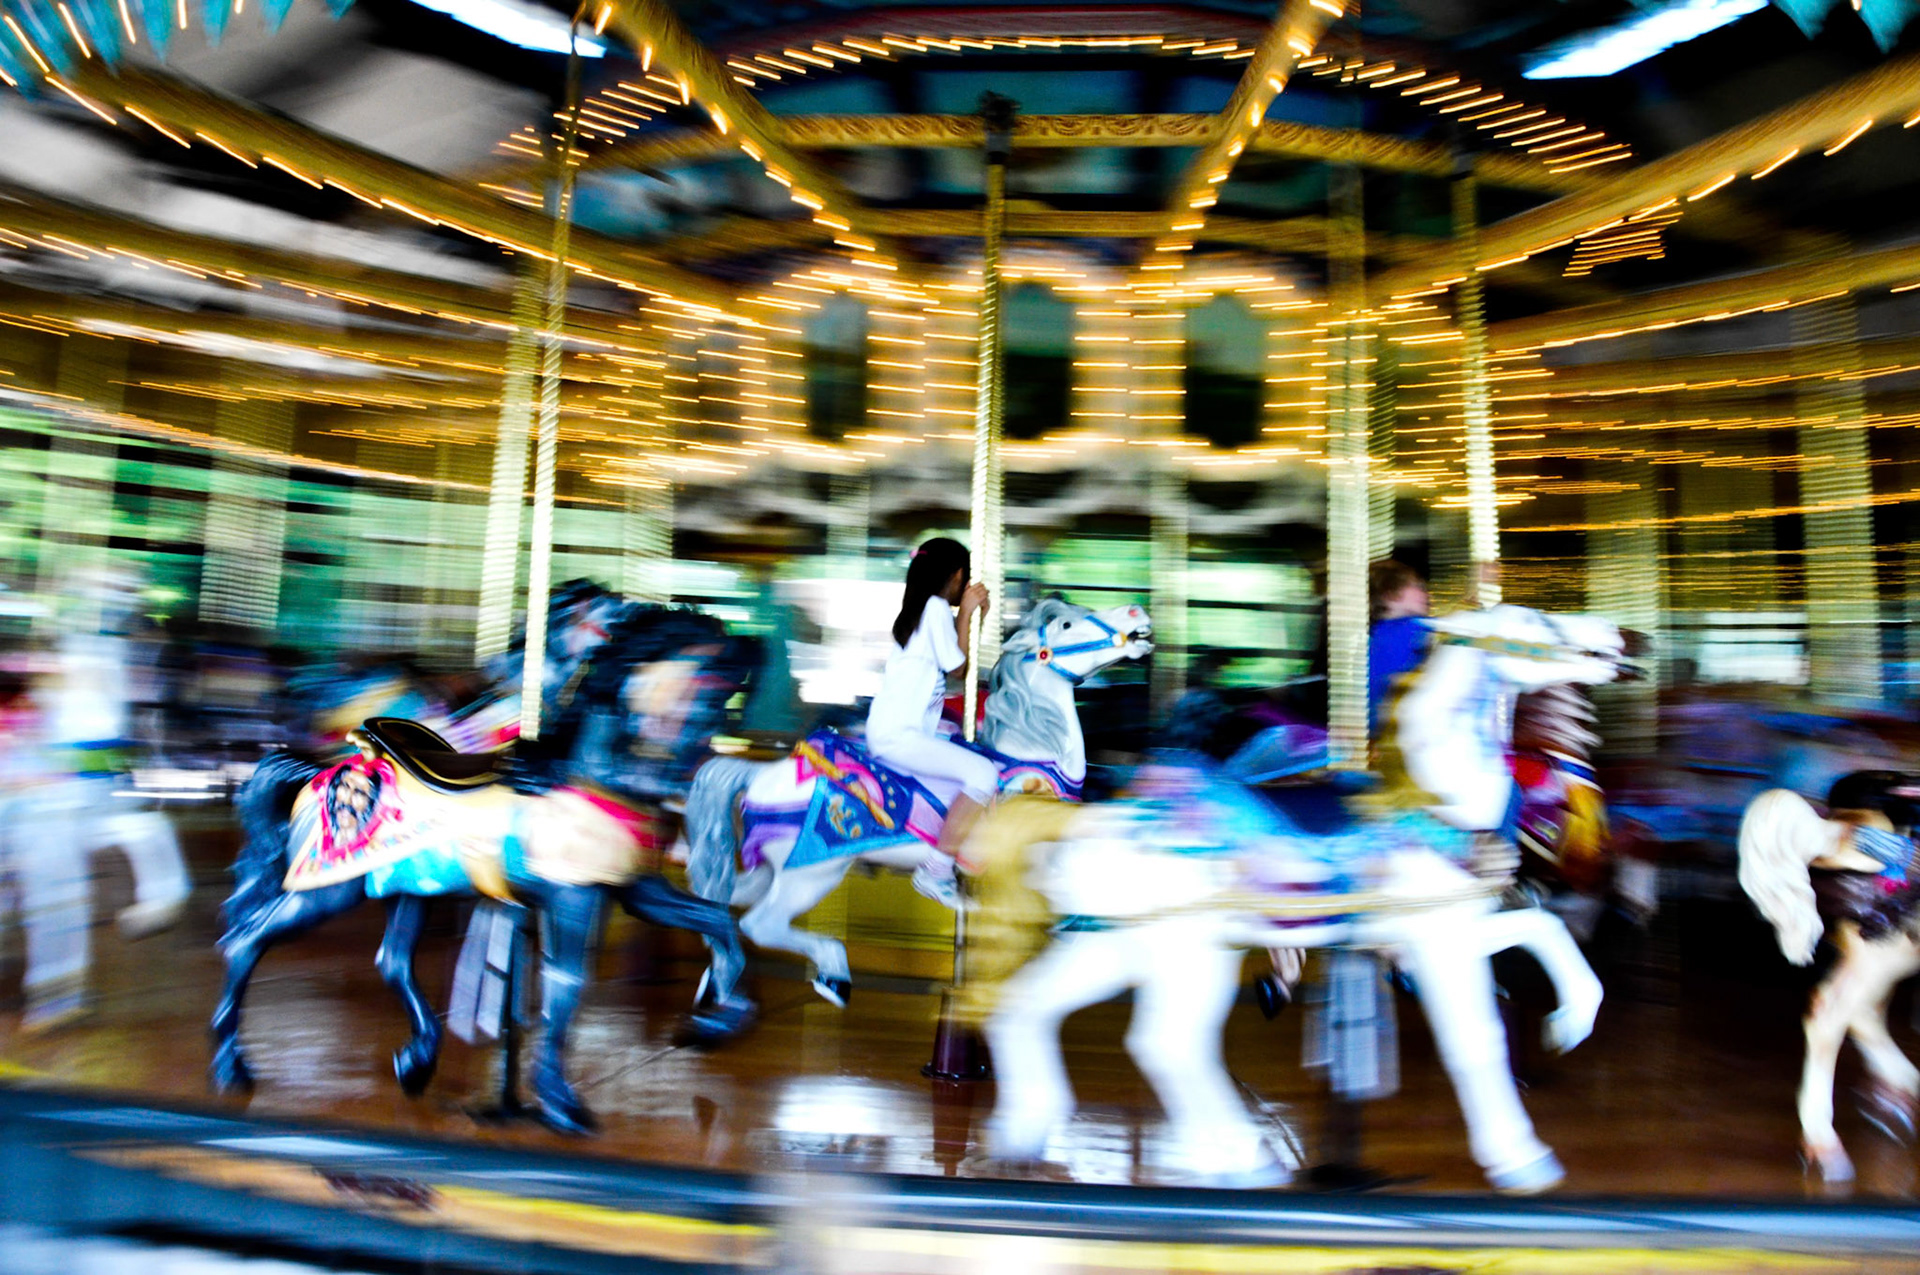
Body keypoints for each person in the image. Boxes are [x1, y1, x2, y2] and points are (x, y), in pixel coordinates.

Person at [867, 537, 996, 907]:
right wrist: (967, 612)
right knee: (983, 774)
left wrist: (971, 615)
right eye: (964, 578)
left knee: (961, 767)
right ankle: (936, 870)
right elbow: (959, 669)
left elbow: (954, 658)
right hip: (901, 736)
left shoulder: (920, 610)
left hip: (894, 731)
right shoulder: (936, 608)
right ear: (956, 574)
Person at [1368, 558, 1430, 733]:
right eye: (1417, 586)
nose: (1425, 594)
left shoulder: (1377, 635)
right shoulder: (1409, 628)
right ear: (1390, 595)